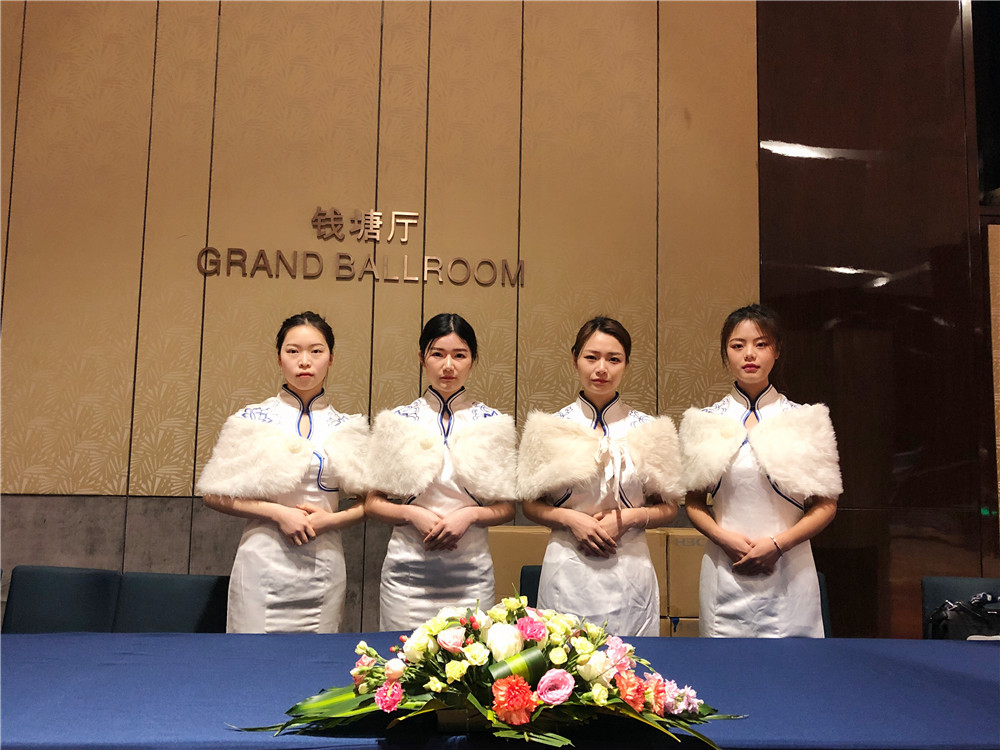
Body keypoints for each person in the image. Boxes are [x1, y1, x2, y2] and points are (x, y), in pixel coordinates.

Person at [197, 311, 368, 633]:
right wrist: (278, 513)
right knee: (253, 657)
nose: (304, 361)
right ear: (279, 358)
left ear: (331, 358)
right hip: (262, 565)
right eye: (293, 351)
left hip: (324, 566)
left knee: (316, 658)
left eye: (316, 351)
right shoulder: (250, 419)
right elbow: (213, 494)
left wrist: (331, 520)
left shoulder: (348, 426)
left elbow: (371, 502)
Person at [680, 303, 842, 638]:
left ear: (777, 350)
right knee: (724, 667)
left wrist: (778, 544)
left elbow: (826, 504)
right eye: (737, 345)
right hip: (725, 569)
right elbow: (693, 502)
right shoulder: (703, 421)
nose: (749, 354)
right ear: (725, 353)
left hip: (790, 572)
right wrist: (723, 538)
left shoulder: (807, 420)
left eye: (761, 344)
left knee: (793, 667)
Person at [518, 316, 683, 637]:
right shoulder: (547, 427)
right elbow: (530, 506)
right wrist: (571, 520)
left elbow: (669, 508)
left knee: (632, 661)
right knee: (565, 659)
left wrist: (629, 518)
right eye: (591, 357)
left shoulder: (652, 429)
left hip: (630, 573)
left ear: (626, 364)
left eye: (613, 359)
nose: (601, 369)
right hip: (568, 569)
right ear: (575, 359)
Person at [365, 313, 517, 631]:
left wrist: (470, 515)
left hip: (470, 572)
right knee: (402, 657)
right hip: (407, 571)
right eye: (438, 354)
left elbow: (506, 508)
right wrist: (411, 514)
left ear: (473, 360)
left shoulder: (494, 423)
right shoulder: (397, 421)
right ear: (422, 358)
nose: (448, 366)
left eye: (459, 355)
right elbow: (372, 503)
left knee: (469, 659)